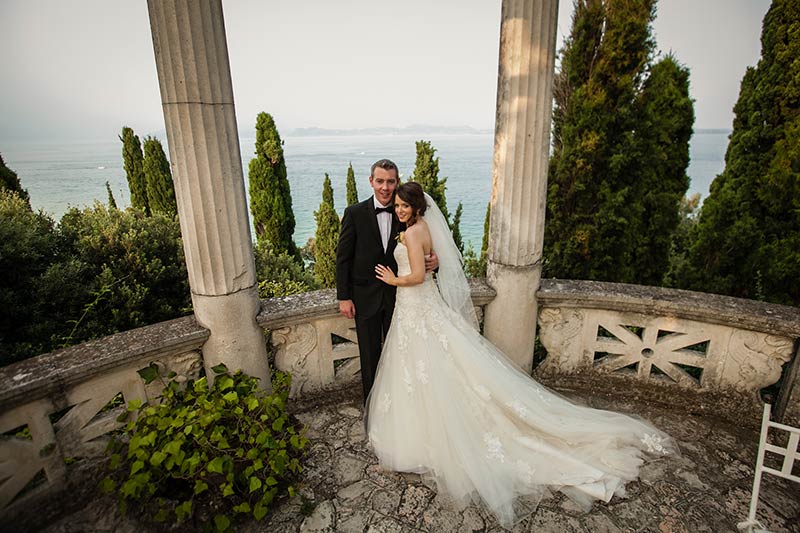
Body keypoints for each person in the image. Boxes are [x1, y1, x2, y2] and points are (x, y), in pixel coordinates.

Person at [368, 181, 676, 527]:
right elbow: (432, 266)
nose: (399, 211)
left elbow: (420, 275)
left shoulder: (411, 234)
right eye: (396, 207)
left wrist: (394, 280)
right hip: (420, 311)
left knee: (423, 368)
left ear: (418, 208)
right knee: (430, 369)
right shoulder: (421, 230)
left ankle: (424, 437)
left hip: (416, 306)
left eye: (404, 206)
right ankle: (423, 429)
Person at [335, 159, 437, 401]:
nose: (385, 187)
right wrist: (344, 297)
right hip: (364, 298)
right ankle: (373, 407)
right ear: (371, 182)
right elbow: (343, 259)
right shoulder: (354, 213)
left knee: (402, 355)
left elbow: (424, 247)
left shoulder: (405, 213)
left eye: (390, 181)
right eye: (380, 181)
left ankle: (401, 405)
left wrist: (435, 261)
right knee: (369, 357)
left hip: (400, 299)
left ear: (396, 182)